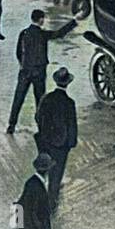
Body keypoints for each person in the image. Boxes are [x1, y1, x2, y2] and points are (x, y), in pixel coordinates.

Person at [7, 9, 77, 133]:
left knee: (18, 98)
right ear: (41, 20)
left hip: (25, 70)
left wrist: (24, 65)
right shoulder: (43, 34)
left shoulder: (24, 33)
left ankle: (11, 125)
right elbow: (59, 34)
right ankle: (41, 126)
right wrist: (74, 22)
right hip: (39, 71)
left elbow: (18, 52)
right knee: (40, 100)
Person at [35, 67, 78, 209]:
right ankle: (51, 205)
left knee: (44, 170)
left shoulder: (46, 98)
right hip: (61, 146)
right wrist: (71, 144)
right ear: (67, 84)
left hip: (45, 142)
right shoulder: (69, 103)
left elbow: (38, 117)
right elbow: (72, 126)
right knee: (56, 177)